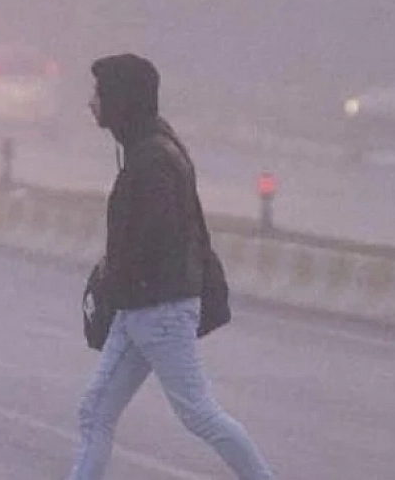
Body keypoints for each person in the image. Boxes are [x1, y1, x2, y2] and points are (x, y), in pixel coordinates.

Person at [67, 53, 275, 480]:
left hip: (158, 310)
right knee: (94, 412)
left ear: (121, 100)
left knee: (199, 414)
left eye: (99, 94)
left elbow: (157, 238)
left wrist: (116, 277)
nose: (91, 103)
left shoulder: (152, 160)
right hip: (141, 308)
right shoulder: (148, 146)